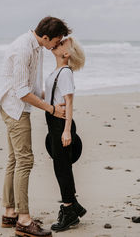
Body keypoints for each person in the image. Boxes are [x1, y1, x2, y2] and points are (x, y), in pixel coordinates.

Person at [0, 16, 72, 237]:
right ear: (45, 37)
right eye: (55, 41)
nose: (56, 46)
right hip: (15, 108)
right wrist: (51, 109)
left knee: (14, 159)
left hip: (15, 105)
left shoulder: (36, 46)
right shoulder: (24, 49)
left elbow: (32, 87)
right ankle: (24, 220)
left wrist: (50, 98)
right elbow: (21, 92)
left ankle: (10, 212)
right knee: (25, 161)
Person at [44, 37, 86, 232]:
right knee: (60, 166)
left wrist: (67, 130)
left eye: (61, 44)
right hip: (54, 123)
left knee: (62, 168)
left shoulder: (65, 72)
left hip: (62, 124)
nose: (57, 44)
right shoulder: (56, 72)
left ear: (66, 54)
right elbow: (51, 96)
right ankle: (74, 206)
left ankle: (69, 211)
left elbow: (69, 102)